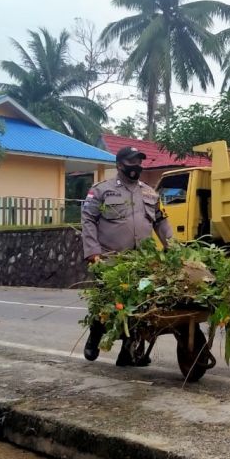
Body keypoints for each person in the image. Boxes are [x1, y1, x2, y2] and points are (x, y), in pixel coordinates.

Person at [81, 146, 173, 365]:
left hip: (142, 261)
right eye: (132, 161)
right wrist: (93, 252)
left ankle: (127, 353)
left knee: (139, 305)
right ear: (120, 164)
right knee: (107, 303)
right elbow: (88, 220)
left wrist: (173, 248)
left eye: (139, 161)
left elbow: (161, 221)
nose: (137, 166)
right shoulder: (102, 190)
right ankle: (95, 335)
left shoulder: (150, 193)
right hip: (110, 260)